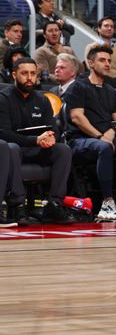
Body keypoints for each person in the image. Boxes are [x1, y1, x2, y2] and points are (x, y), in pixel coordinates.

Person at [0, 57, 74, 224]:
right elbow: (4, 133)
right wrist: (36, 140)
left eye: (33, 73)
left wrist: (51, 138)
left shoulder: (42, 99)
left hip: (37, 148)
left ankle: (55, 204)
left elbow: (53, 128)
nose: (29, 78)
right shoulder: (3, 98)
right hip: (14, 150)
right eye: (24, 73)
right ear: (14, 75)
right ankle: (17, 205)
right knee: (11, 147)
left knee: (63, 150)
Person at [64, 46, 116, 221]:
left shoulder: (111, 89)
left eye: (108, 60)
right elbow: (77, 118)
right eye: (102, 60)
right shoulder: (78, 87)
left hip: (107, 136)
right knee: (104, 147)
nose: (107, 64)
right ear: (90, 63)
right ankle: (107, 203)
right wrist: (100, 136)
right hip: (80, 140)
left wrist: (111, 133)